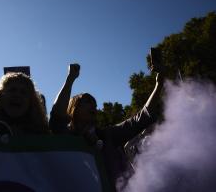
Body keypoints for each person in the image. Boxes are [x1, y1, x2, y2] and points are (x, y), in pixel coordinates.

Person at [49, 62, 166, 192]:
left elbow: (141, 118)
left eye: (95, 104)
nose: (94, 107)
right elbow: (57, 117)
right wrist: (70, 79)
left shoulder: (108, 136)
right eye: (88, 102)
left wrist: (159, 85)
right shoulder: (67, 136)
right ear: (74, 110)